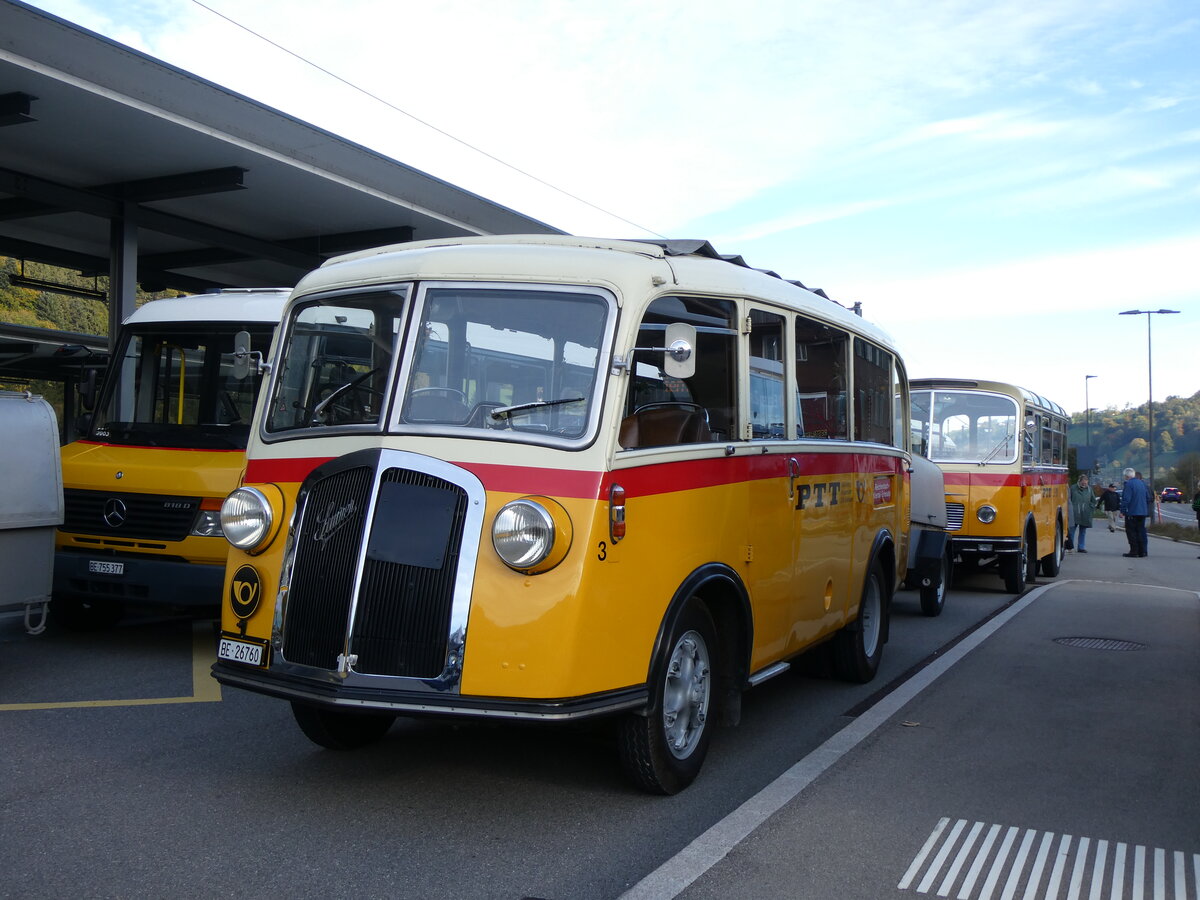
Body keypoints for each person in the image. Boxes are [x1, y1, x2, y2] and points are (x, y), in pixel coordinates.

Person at [1119, 467, 1151, 557]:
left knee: (1131, 532)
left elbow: (1126, 499)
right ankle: (1143, 551)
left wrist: (1122, 511)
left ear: (1126, 476)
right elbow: (1148, 497)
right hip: (1142, 512)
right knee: (1141, 531)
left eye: (1125, 476)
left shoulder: (1129, 484)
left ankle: (1134, 551)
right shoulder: (1142, 483)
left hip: (1132, 512)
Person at [1068, 474, 1095, 552]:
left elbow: (1093, 500)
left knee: (1083, 531)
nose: (1084, 484)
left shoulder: (1089, 490)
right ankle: (1070, 547)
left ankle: (1081, 547)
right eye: (1083, 483)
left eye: (1086, 483)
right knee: (1072, 530)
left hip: (1085, 514)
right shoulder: (1073, 488)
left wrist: (1090, 507)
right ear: (1079, 481)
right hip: (1074, 513)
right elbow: (1068, 499)